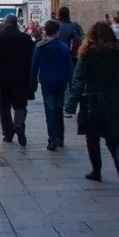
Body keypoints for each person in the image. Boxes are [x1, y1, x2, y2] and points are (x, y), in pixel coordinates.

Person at [65, 21, 119, 186]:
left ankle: (96, 170)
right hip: (114, 97)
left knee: (92, 136)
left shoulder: (87, 53)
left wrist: (71, 104)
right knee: (112, 135)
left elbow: (78, 79)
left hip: (92, 98)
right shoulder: (117, 53)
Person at [0, 15, 36, 145]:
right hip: (22, 77)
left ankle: (8, 134)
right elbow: (31, 58)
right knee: (20, 104)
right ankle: (19, 123)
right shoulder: (26, 38)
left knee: (4, 106)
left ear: (6, 23)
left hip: (4, 77)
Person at [30, 19, 73, 150]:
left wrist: (32, 82)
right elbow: (69, 67)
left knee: (50, 110)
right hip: (60, 82)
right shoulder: (63, 47)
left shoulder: (40, 47)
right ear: (57, 32)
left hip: (46, 81)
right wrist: (71, 83)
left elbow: (34, 66)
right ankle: (60, 137)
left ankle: (52, 138)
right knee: (59, 109)